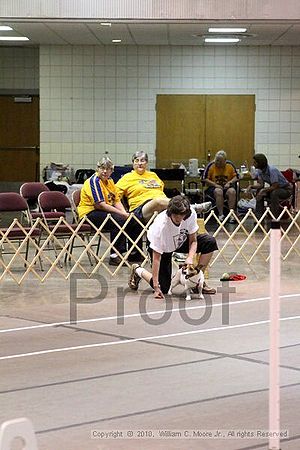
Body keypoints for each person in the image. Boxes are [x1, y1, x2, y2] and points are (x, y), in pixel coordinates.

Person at [128, 195, 218, 299]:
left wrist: (190, 257)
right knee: (164, 288)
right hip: (164, 246)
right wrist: (156, 287)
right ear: (170, 212)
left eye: (182, 215)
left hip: (180, 240)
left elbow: (193, 240)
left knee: (209, 241)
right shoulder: (161, 226)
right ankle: (138, 270)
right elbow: (157, 258)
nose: (179, 218)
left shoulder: (191, 214)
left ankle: (196, 281)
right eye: (176, 215)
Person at [116, 150, 211, 223]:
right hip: (140, 209)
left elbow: (160, 190)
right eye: (137, 161)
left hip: (162, 208)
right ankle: (191, 208)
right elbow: (115, 195)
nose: (140, 163)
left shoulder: (153, 175)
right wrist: (123, 211)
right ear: (133, 163)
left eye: (143, 160)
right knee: (158, 201)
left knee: (172, 205)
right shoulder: (127, 177)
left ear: (146, 163)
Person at [78, 157, 137, 266]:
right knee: (118, 220)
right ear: (97, 169)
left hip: (104, 212)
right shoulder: (94, 181)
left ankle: (135, 253)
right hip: (89, 213)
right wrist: (121, 214)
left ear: (112, 171)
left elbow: (117, 200)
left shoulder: (110, 182)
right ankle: (115, 255)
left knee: (131, 219)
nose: (105, 171)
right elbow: (100, 205)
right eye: (102, 168)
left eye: (108, 169)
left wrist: (125, 213)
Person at [247, 153, 293, 219]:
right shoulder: (259, 171)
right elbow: (261, 185)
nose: (253, 164)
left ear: (260, 163)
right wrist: (251, 186)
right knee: (260, 191)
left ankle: (274, 218)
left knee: (274, 193)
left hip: (286, 189)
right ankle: (259, 217)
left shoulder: (272, 170)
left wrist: (263, 190)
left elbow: (275, 186)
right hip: (275, 188)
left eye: (255, 162)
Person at [203, 150, 238, 223]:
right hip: (213, 187)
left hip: (226, 186)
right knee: (218, 191)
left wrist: (229, 182)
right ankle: (221, 215)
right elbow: (204, 179)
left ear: (225, 160)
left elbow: (236, 177)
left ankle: (231, 215)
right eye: (217, 160)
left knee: (232, 191)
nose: (218, 163)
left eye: (220, 161)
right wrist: (215, 185)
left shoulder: (230, 165)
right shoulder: (211, 165)